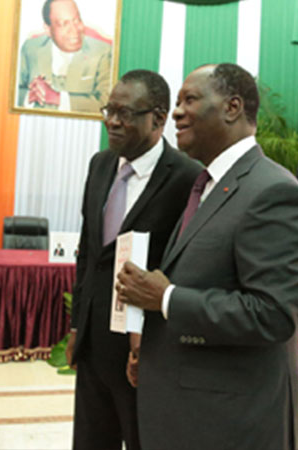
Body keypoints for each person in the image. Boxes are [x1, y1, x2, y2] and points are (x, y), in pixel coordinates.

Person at [115, 63, 298, 450]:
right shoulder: (206, 185)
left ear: (232, 107)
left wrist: (167, 299)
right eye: (177, 102)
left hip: (227, 423)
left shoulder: (272, 191)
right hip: (187, 410)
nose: (176, 112)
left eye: (190, 99)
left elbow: (273, 314)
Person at [66, 70, 201, 450]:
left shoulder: (186, 178)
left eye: (124, 112)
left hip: (145, 351)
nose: (112, 120)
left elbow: (184, 268)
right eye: (110, 109)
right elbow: (88, 252)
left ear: (158, 119)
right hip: (94, 344)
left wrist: (149, 346)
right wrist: (78, 325)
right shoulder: (100, 164)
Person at [17, 0, 112, 113]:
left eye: (77, 20)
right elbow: (10, 91)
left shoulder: (102, 52)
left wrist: (58, 98)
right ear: (48, 29)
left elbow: (106, 103)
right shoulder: (30, 48)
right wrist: (30, 95)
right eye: (63, 24)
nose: (75, 29)